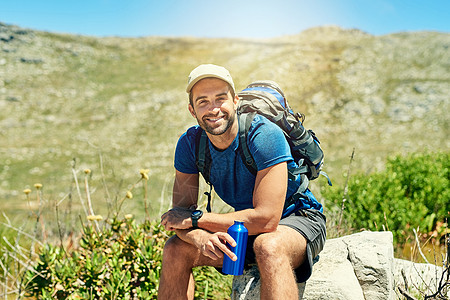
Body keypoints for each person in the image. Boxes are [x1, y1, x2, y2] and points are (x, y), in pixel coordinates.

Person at [159, 64, 326, 299]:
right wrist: (201, 236)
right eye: (203, 102)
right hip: (245, 229)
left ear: (235, 101)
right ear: (192, 110)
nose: (214, 109)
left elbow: (267, 219)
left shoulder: (263, 135)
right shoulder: (190, 144)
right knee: (175, 249)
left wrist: (198, 220)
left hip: (298, 220)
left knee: (269, 246)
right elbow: (180, 218)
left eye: (220, 98)